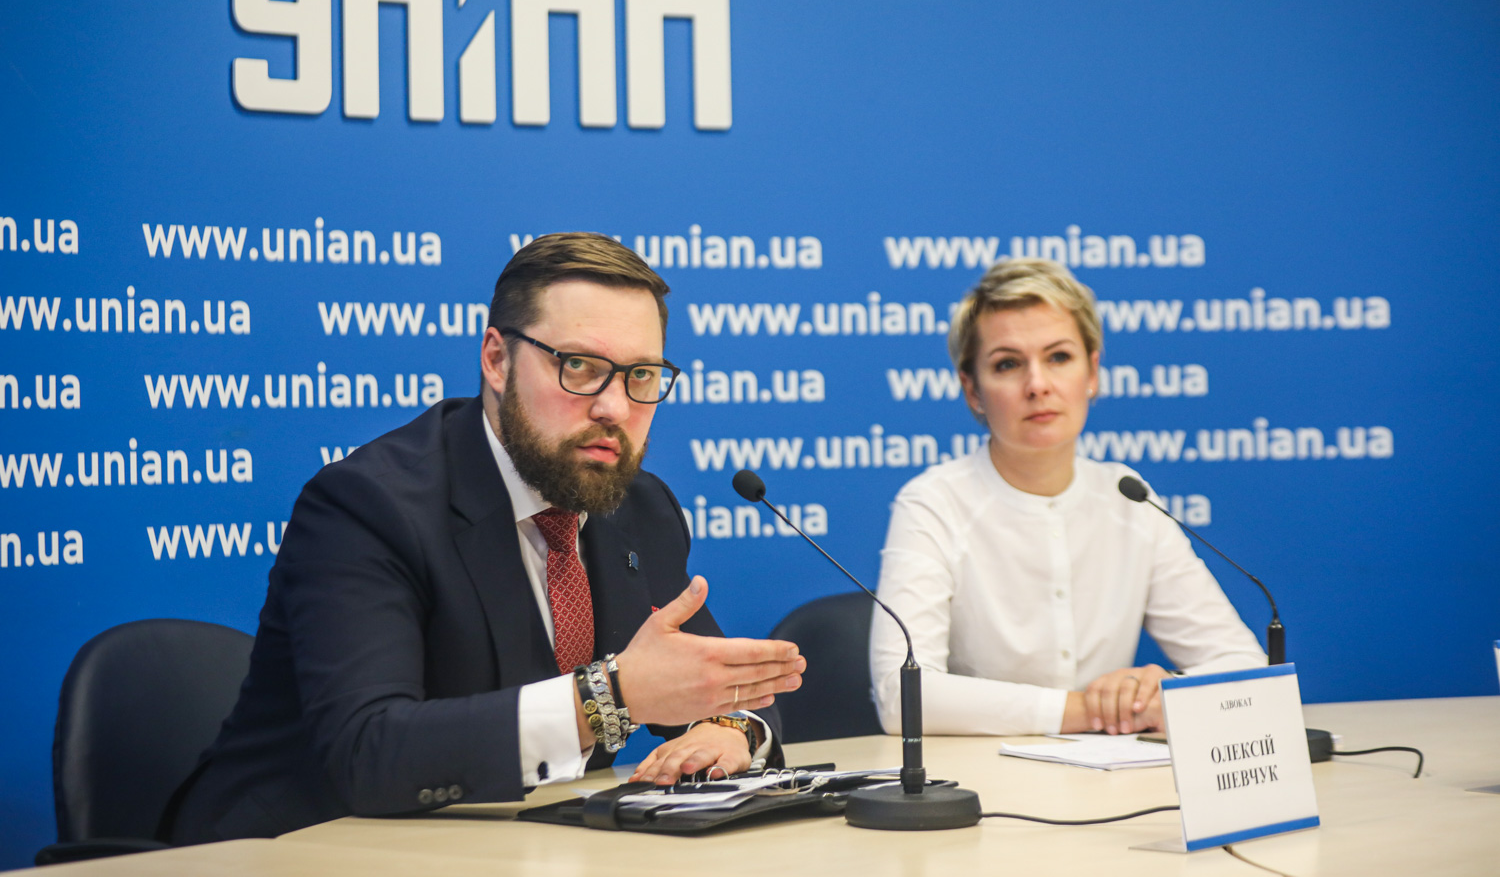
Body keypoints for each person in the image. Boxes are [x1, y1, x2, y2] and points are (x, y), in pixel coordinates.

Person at [167, 232, 804, 843]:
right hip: (286, 852)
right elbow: (368, 750)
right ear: (497, 360)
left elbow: (717, 679)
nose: (614, 407)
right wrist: (608, 697)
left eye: (640, 375)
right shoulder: (369, 505)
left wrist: (729, 729)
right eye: (579, 367)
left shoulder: (640, 505)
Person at [869, 258, 1263, 739]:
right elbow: (902, 696)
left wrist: (1163, 694)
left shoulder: (1128, 497)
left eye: (1058, 357)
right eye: (1008, 364)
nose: (1038, 385)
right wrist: (1095, 710)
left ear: (1092, 372)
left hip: (1116, 773)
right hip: (982, 775)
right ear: (972, 390)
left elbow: (1244, 667)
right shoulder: (934, 502)